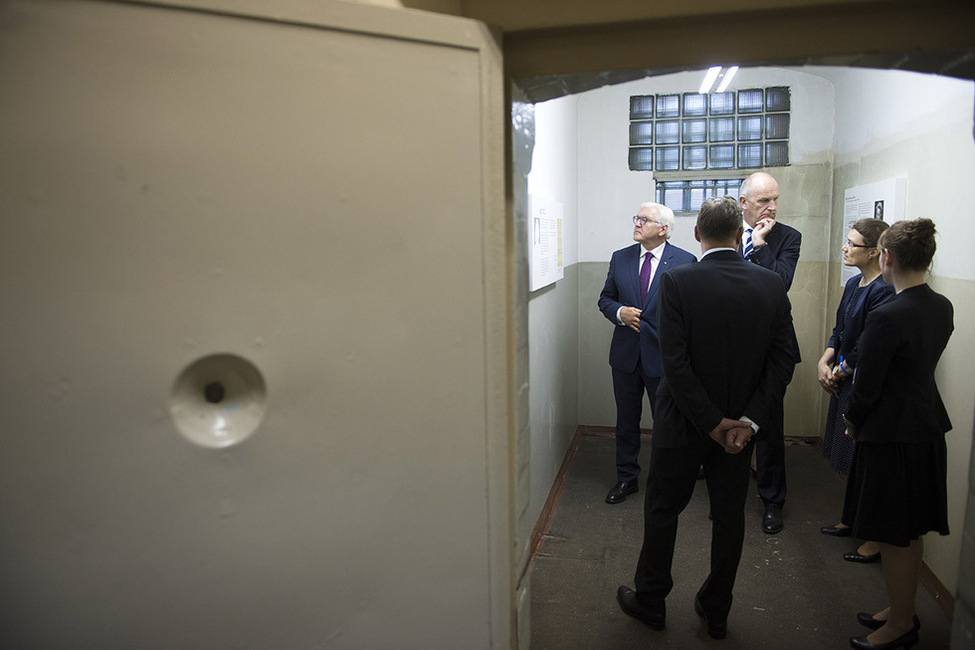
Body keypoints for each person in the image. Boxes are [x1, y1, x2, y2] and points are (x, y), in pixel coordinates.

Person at [616, 196, 797, 639]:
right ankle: (716, 610)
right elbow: (784, 359)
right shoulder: (771, 285)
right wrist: (747, 421)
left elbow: (674, 364)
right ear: (741, 235)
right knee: (729, 516)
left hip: (683, 422)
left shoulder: (678, 281)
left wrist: (709, 421)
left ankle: (652, 601)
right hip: (738, 432)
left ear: (696, 235)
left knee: (662, 509)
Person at [841, 218, 953, 650]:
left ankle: (901, 623)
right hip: (926, 425)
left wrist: (852, 419)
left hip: (890, 433)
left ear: (885, 258)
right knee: (911, 528)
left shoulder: (887, 316)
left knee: (892, 531)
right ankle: (902, 607)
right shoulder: (941, 306)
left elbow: (867, 385)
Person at [597, 203, 696, 504]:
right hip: (626, 357)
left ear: (663, 229)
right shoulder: (621, 258)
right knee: (626, 422)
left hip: (664, 359)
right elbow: (605, 299)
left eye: (644, 219)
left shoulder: (685, 261)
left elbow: (690, 313)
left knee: (666, 424)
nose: (637, 223)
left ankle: (665, 481)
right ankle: (627, 479)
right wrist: (620, 312)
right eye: (636, 218)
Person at [817, 219, 893, 566]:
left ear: (876, 251)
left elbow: (868, 344)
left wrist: (842, 370)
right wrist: (826, 358)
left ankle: (873, 534)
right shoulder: (853, 283)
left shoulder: (883, 290)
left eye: (853, 244)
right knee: (845, 456)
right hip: (843, 376)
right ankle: (851, 519)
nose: (845, 249)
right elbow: (840, 329)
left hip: (860, 381)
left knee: (861, 459)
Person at [737, 171, 802, 534]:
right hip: (732, 345)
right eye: (764, 201)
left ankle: (773, 501)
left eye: (776, 199)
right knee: (730, 417)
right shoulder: (727, 231)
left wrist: (761, 245)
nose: (772, 207)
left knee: (769, 425)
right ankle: (727, 495)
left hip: (771, 348)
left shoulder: (787, 237)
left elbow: (781, 283)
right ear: (743, 203)